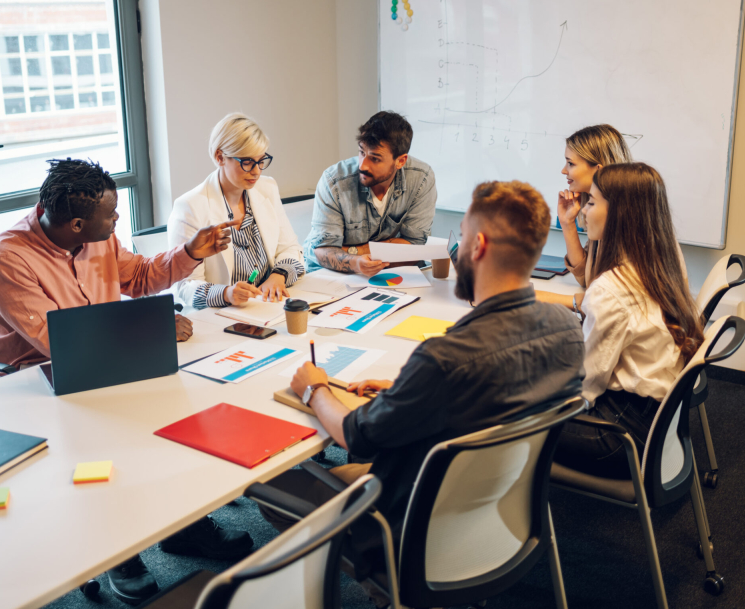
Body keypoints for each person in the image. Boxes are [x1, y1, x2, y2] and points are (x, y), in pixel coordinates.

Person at [272, 180, 584, 602]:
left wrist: (315, 390)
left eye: (461, 240)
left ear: (480, 247)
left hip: (408, 532)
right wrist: (407, 391)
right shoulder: (567, 330)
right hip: (498, 517)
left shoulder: (444, 359)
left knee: (280, 493)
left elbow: (355, 436)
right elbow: (496, 395)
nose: (454, 252)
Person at [0, 158, 254, 605]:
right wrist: (151, 329)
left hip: (107, 363)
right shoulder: (8, 258)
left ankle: (185, 526)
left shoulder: (96, 237)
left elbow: (141, 278)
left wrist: (192, 252)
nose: (118, 220)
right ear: (76, 223)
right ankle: (116, 554)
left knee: (179, 414)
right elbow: (57, 340)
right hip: (40, 381)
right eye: (111, 215)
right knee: (108, 438)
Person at [552, 162, 704, 479]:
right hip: (656, 422)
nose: (584, 211)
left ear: (620, 213)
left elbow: (586, 388)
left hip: (621, 434)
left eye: (591, 202)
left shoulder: (611, 290)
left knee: (501, 413)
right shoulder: (656, 263)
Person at [168, 113, 305, 309]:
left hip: (268, 306)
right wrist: (226, 294)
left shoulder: (267, 188)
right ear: (220, 157)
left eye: (261, 160)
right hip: (221, 315)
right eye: (247, 162)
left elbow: (291, 248)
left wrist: (279, 275)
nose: (257, 171)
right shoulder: (190, 207)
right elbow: (184, 285)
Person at [303, 111, 437, 276]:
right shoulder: (334, 182)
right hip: (330, 275)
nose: (363, 165)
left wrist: (355, 251)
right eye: (361, 152)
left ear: (400, 161)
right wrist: (356, 263)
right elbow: (322, 251)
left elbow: (415, 247)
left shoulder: (421, 179)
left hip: (383, 274)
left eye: (375, 159)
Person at [536, 124, 634, 313]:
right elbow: (587, 279)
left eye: (570, 163)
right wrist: (567, 223)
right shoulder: (601, 212)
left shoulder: (625, 222)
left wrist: (538, 298)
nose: (564, 171)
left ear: (598, 170)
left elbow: (604, 302)